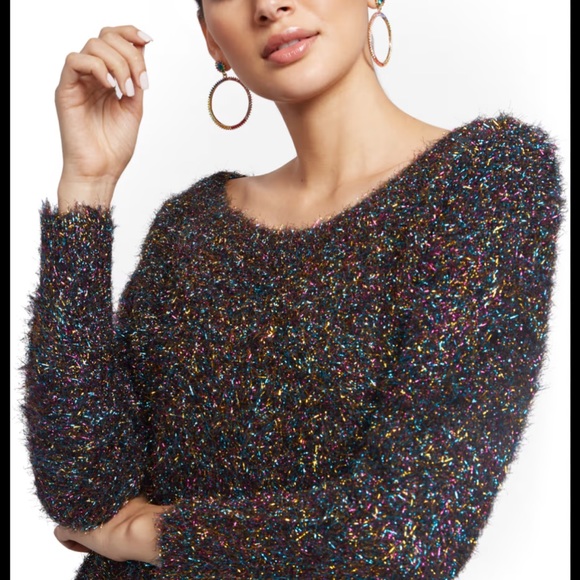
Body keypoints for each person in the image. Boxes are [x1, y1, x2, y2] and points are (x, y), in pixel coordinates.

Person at [21, 0, 564, 578]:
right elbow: (82, 495)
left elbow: (404, 535)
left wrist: (151, 533)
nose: (269, 5)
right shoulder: (191, 225)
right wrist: (88, 186)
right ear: (211, 39)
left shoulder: (483, 182)